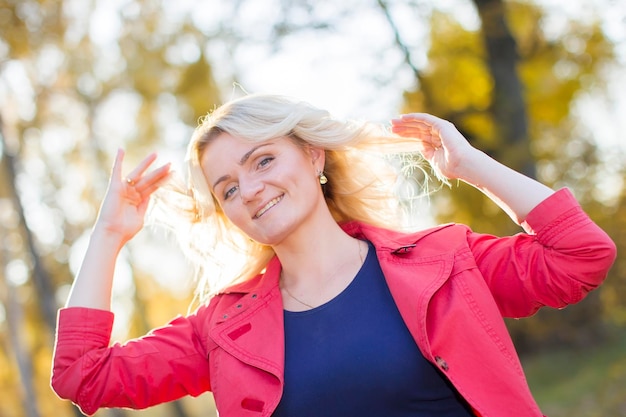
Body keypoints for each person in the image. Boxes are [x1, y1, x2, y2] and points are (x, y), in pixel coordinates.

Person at [51, 94, 616, 417]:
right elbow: (83, 377)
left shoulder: (443, 260)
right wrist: (107, 237)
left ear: (314, 158)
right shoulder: (221, 330)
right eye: (226, 188)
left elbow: (580, 256)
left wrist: (469, 166)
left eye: (263, 160)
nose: (248, 189)